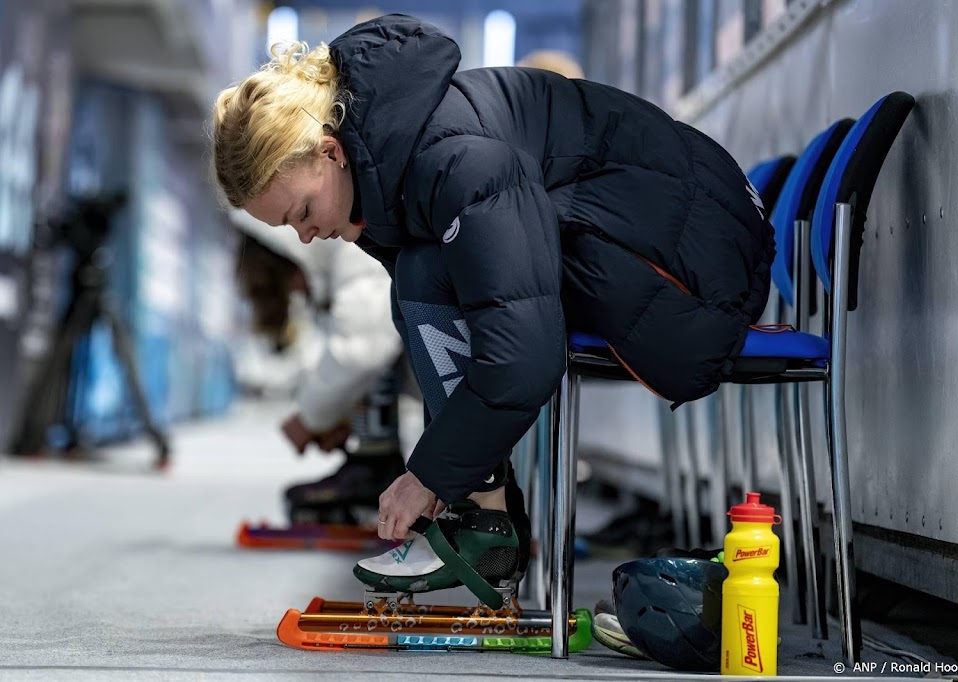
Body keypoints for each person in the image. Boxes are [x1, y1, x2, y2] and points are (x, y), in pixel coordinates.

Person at [211, 14, 774, 596]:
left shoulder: (454, 159)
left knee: (427, 271)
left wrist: (428, 474)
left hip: (697, 277)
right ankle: (479, 522)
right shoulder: (397, 162)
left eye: (301, 212)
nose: (304, 237)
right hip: (672, 240)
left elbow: (524, 356)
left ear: (330, 152)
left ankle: (483, 526)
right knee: (420, 276)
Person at [232, 208, 408, 525]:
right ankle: (375, 463)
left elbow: (365, 345)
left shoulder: (351, 243)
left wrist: (310, 418)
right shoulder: (337, 252)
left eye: (291, 286)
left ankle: (378, 470)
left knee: (374, 350)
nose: (300, 293)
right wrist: (342, 417)